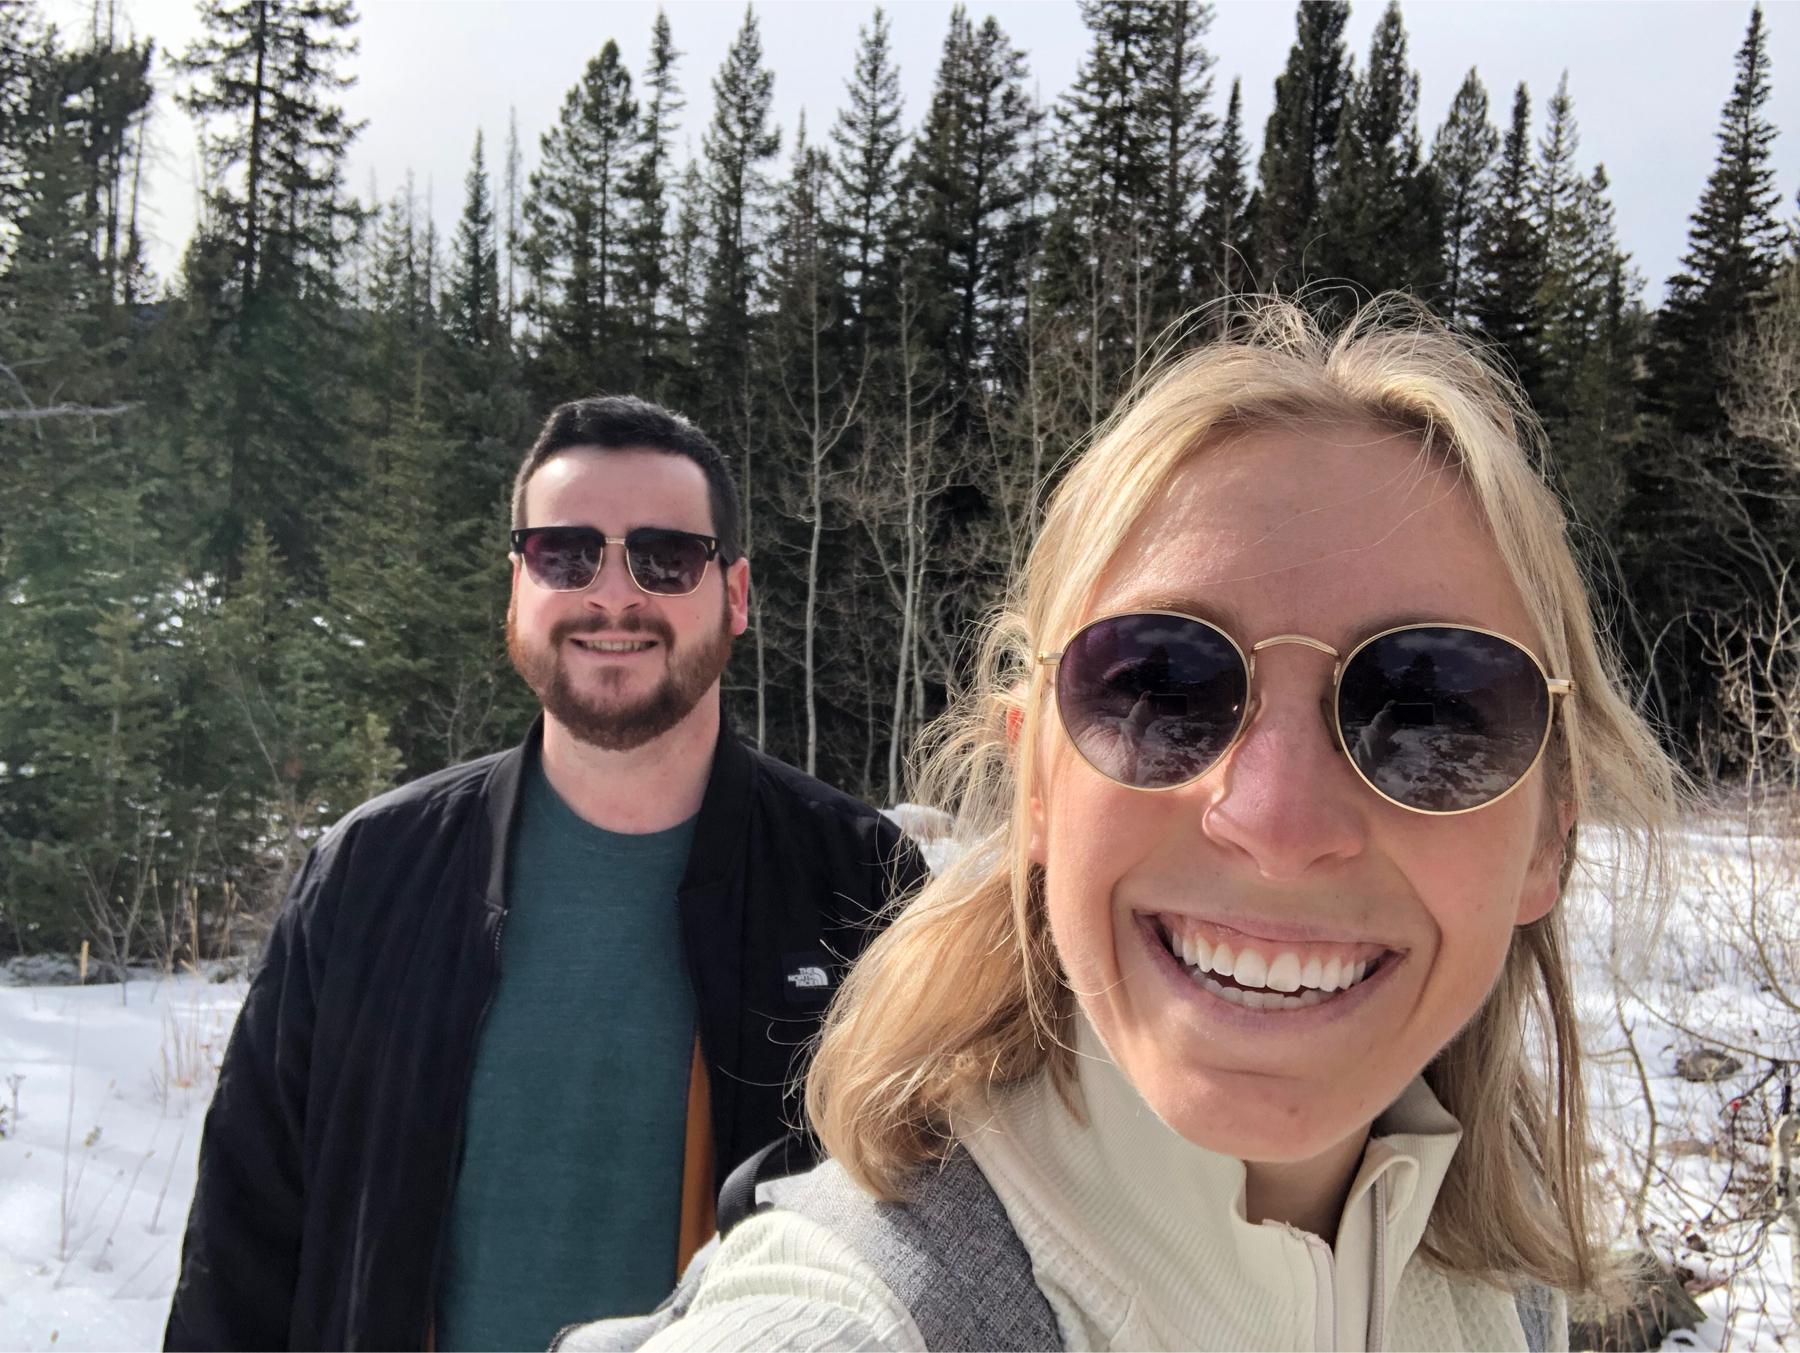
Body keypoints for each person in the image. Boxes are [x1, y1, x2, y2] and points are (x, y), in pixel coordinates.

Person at [563, 299, 1683, 1352]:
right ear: (1037, 783)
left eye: (1432, 709)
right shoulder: (871, 1305)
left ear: (1549, 837)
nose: (1277, 820)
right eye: (1162, 687)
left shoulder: (1503, 1292)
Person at [165, 396, 927, 1351]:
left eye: (664, 556)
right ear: (516, 588)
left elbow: (930, 1234)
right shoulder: (370, 874)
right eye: (566, 554)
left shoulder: (858, 882)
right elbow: (243, 1246)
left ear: (735, 593)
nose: (613, 594)